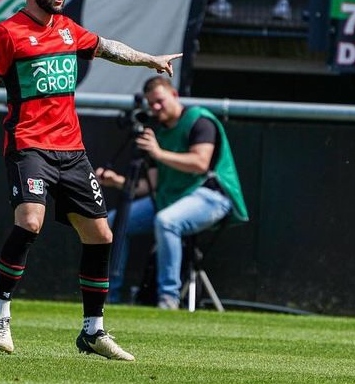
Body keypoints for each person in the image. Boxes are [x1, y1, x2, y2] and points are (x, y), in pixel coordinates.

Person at [0, 0, 182, 360]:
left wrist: (149, 60)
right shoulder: (6, 32)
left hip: (72, 151)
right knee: (30, 221)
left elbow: (108, 47)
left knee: (100, 236)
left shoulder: (67, 29)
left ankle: (93, 331)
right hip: (29, 146)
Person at [97, 75, 248, 308]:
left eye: (160, 101)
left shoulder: (200, 120)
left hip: (212, 196)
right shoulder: (158, 132)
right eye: (151, 104)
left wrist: (157, 153)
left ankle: (168, 298)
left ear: (174, 95)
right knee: (113, 222)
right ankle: (108, 296)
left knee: (167, 221)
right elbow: (150, 186)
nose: (156, 108)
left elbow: (200, 163)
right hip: (170, 197)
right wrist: (116, 181)